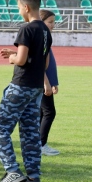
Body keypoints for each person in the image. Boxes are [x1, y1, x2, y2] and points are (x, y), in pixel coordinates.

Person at [0, 0, 52, 182]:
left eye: (19, 7)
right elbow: (44, 62)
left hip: (21, 85)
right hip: (35, 87)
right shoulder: (45, 30)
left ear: (26, 7)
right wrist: (17, 53)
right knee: (29, 132)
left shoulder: (26, 29)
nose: (19, 11)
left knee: (0, 127)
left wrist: (13, 58)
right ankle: (33, 177)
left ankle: (12, 171)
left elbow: (22, 60)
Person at [39, 9, 60, 156]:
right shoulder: (41, 38)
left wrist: (54, 82)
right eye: (50, 22)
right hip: (41, 81)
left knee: (41, 112)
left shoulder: (45, 38)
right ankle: (41, 144)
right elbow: (40, 64)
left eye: (53, 22)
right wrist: (47, 83)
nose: (53, 25)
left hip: (44, 81)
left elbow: (50, 63)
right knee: (49, 112)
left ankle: (37, 143)